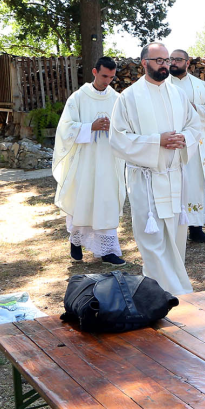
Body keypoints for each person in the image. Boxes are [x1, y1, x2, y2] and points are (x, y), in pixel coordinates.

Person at [110, 42, 204, 295]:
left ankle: (160, 293)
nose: (166, 65)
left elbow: (195, 127)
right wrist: (156, 141)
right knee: (152, 241)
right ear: (144, 63)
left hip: (174, 177)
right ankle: (176, 294)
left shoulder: (178, 94)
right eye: (159, 61)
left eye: (168, 60)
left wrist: (183, 138)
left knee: (175, 238)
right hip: (146, 179)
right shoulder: (128, 97)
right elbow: (117, 139)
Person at [52, 57, 127, 265]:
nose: (107, 81)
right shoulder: (78, 98)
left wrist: (114, 128)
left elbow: (126, 128)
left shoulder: (117, 99)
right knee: (82, 198)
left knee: (106, 201)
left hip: (108, 160)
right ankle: (76, 242)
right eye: (104, 76)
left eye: (111, 77)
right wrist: (90, 127)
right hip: (84, 160)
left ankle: (107, 251)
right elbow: (65, 128)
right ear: (94, 72)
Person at [168, 49, 205, 243]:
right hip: (172, 143)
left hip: (195, 145)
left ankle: (196, 228)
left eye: (178, 59)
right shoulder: (162, 85)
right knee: (174, 184)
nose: (173, 62)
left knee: (194, 184)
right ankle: (173, 228)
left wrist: (194, 108)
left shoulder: (200, 86)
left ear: (187, 63)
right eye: (171, 59)